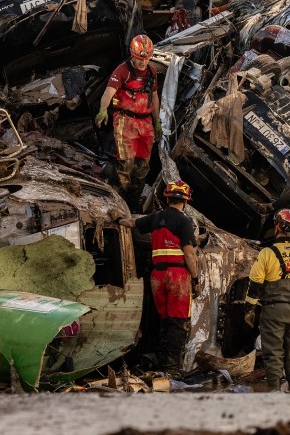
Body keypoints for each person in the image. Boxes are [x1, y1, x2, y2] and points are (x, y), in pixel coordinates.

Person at [119, 180, 202, 375]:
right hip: (178, 276)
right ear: (186, 201)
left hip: (157, 276)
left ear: (167, 198)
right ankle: (171, 367)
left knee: (164, 319)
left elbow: (131, 223)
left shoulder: (155, 217)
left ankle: (160, 361)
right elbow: (189, 254)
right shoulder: (184, 221)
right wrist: (196, 279)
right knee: (178, 321)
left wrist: (117, 219)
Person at [244, 209, 290, 392]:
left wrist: (249, 309)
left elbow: (255, 285)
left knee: (273, 353)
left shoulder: (267, 254)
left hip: (273, 312)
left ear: (277, 226)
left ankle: (274, 390)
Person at [96, 34, 161, 211]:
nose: (143, 62)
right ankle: (120, 201)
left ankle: (133, 201)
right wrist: (103, 110)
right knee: (126, 163)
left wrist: (157, 122)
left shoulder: (152, 72)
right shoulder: (122, 71)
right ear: (132, 54)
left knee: (142, 165)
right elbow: (108, 93)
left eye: (146, 58)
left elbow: (154, 97)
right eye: (140, 58)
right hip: (125, 121)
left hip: (145, 123)